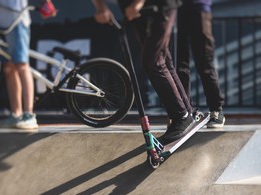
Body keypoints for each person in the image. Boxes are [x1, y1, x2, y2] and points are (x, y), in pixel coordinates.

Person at [92, 0, 195, 144]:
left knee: (153, 62)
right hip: (138, 13)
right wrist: (101, 8)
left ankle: (181, 116)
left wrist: (137, 4)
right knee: (163, 59)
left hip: (159, 6)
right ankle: (186, 111)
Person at [0, 0, 38, 130]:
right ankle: (16, 114)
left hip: (16, 20)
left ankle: (29, 115)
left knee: (22, 65)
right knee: (9, 68)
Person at [177, 0, 225, 128]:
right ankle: (186, 112)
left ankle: (216, 110)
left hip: (198, 9)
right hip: (176, 10)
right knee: (180, 66)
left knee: (204, 63)